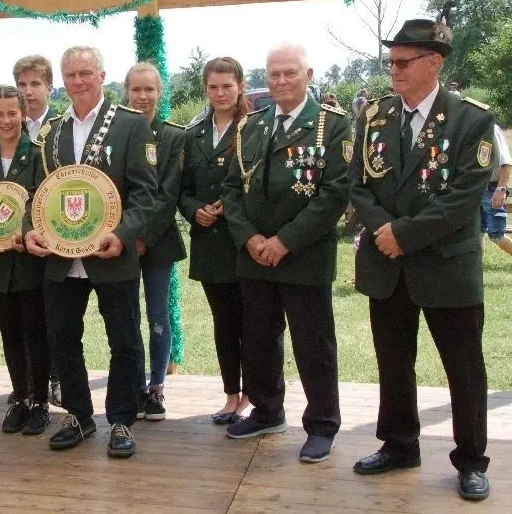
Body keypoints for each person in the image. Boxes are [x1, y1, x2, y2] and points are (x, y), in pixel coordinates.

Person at [348, 18, 495, 501]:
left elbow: (462, 197)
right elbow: (357, 185)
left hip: (446, 264)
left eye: (403, 62)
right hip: (387, 266)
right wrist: (381, 230)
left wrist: (403, 234)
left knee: (464, 367)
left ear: (434, 62)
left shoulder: (470, 119)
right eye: (390, 62)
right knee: (394, 362)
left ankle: (471, 460)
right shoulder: (375, 117)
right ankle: (399, 444)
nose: (394, 70)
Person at [24, 46, 157, 458]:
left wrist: (123, 233)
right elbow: (35, 194)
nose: (78, 82)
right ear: (62, 80)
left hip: (111, 254)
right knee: (62, 339)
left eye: (86, 73)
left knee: (125, 340)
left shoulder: (130, 125)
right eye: (71, 75)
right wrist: (30, 230)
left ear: (102, 75)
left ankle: (120, 421)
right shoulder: (50, 133)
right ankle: (79, 417)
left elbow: (146, 193)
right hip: (60, 259)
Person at [220, 44, 349, 464]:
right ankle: (267, 410)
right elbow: (231, 190)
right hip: (254, 256)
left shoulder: (332, 126)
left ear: (308, 74)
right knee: (257, 340)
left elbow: (334, 194)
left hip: (304, 256)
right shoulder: (250, 127)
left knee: (314, 345)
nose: (280, 82)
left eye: (289, 73)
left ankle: (322, 425)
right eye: (273, 74)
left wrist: (285, 241)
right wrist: (251, 238)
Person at [0, 85, 51, 435]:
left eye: (12, 113)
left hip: (31, 263)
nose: (6, 120)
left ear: (24, 115)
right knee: (11, 335)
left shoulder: (40, 155)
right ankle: (20, 398)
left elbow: (46, 203)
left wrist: (29, 233)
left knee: (36, 334)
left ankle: (40, 402)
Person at [179, 57, 249, 425]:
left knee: (251, 323)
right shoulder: (192, 135)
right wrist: (195, 211)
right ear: (205, 89)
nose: (220, 93)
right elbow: (181, 189)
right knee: (223, 322)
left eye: (227, 85)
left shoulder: (254, 128)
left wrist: (230, 204)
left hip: (244, 242)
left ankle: (255, 391)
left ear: (240, 85)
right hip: (208, 242)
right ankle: (230, 394)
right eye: (213, 87)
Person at [122, 62, 186, 421]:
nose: (143, 97)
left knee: (158, 316)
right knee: (127, 317)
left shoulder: (175, 137)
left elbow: (167, 195)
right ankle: (132, 387)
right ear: (127, 92)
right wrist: (129, 236)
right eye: (136, 90)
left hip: (158, 242)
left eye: (150, 90)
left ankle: (156, 388)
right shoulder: (120, 132)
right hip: (123, 242)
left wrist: (143, 237)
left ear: (159, 94)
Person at [14, 54, 61, 407]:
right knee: (21, 319)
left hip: (52, 239)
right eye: (22, 85)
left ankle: (56, 378)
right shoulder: (6, 126)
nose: (28, 92)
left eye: (35, 84)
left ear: (49, 87)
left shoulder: (58, 129)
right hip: (13, 242)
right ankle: (27, 387)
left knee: (54, 316)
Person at [481, 123, 512, 281]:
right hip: (474, 190)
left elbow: (506, 163)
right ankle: (474, 274)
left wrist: (500, 189)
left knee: (496, 235)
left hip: (492, 190)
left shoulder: (489, 128)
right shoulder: (464, 126)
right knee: (476, 235)